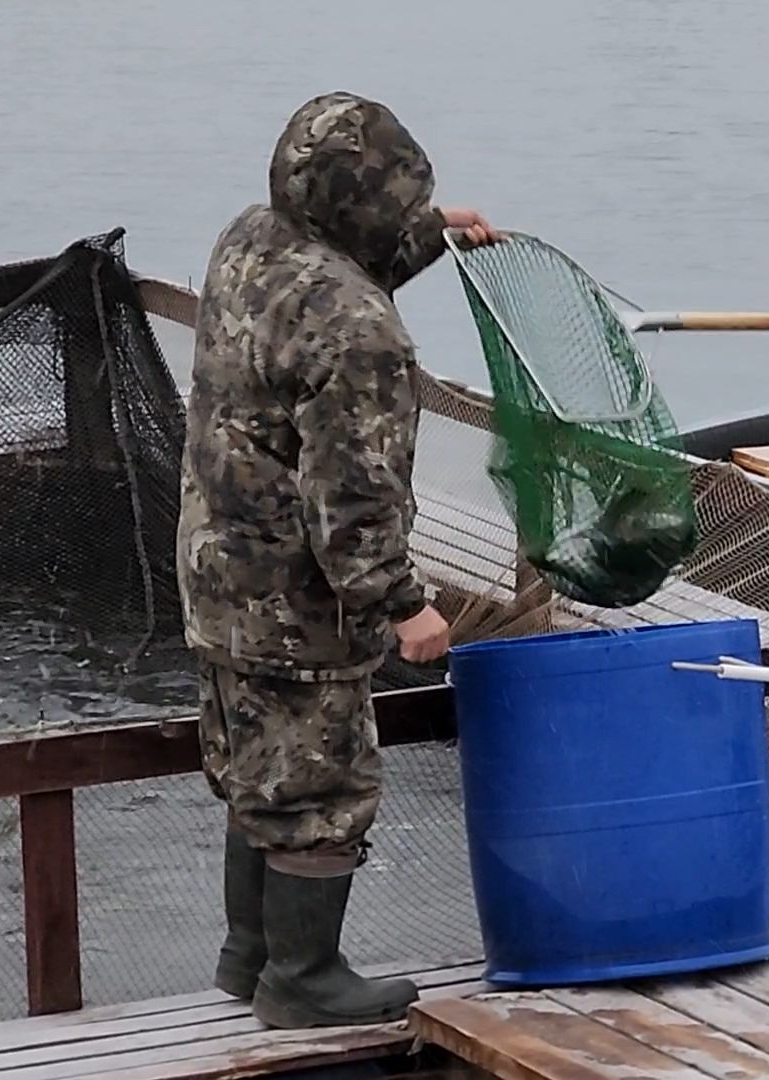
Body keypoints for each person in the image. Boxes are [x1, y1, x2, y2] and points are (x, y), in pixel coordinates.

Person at [176, 90, 498, 1029]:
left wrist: (432, 233)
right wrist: (406, 604)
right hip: (297, 599)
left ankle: (250, 959)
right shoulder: (362, 331)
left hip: (215, 569)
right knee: (321, 786)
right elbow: (351, 500)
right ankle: (304, 979)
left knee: (253, 771)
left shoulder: (249, 241)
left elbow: (333, 269)